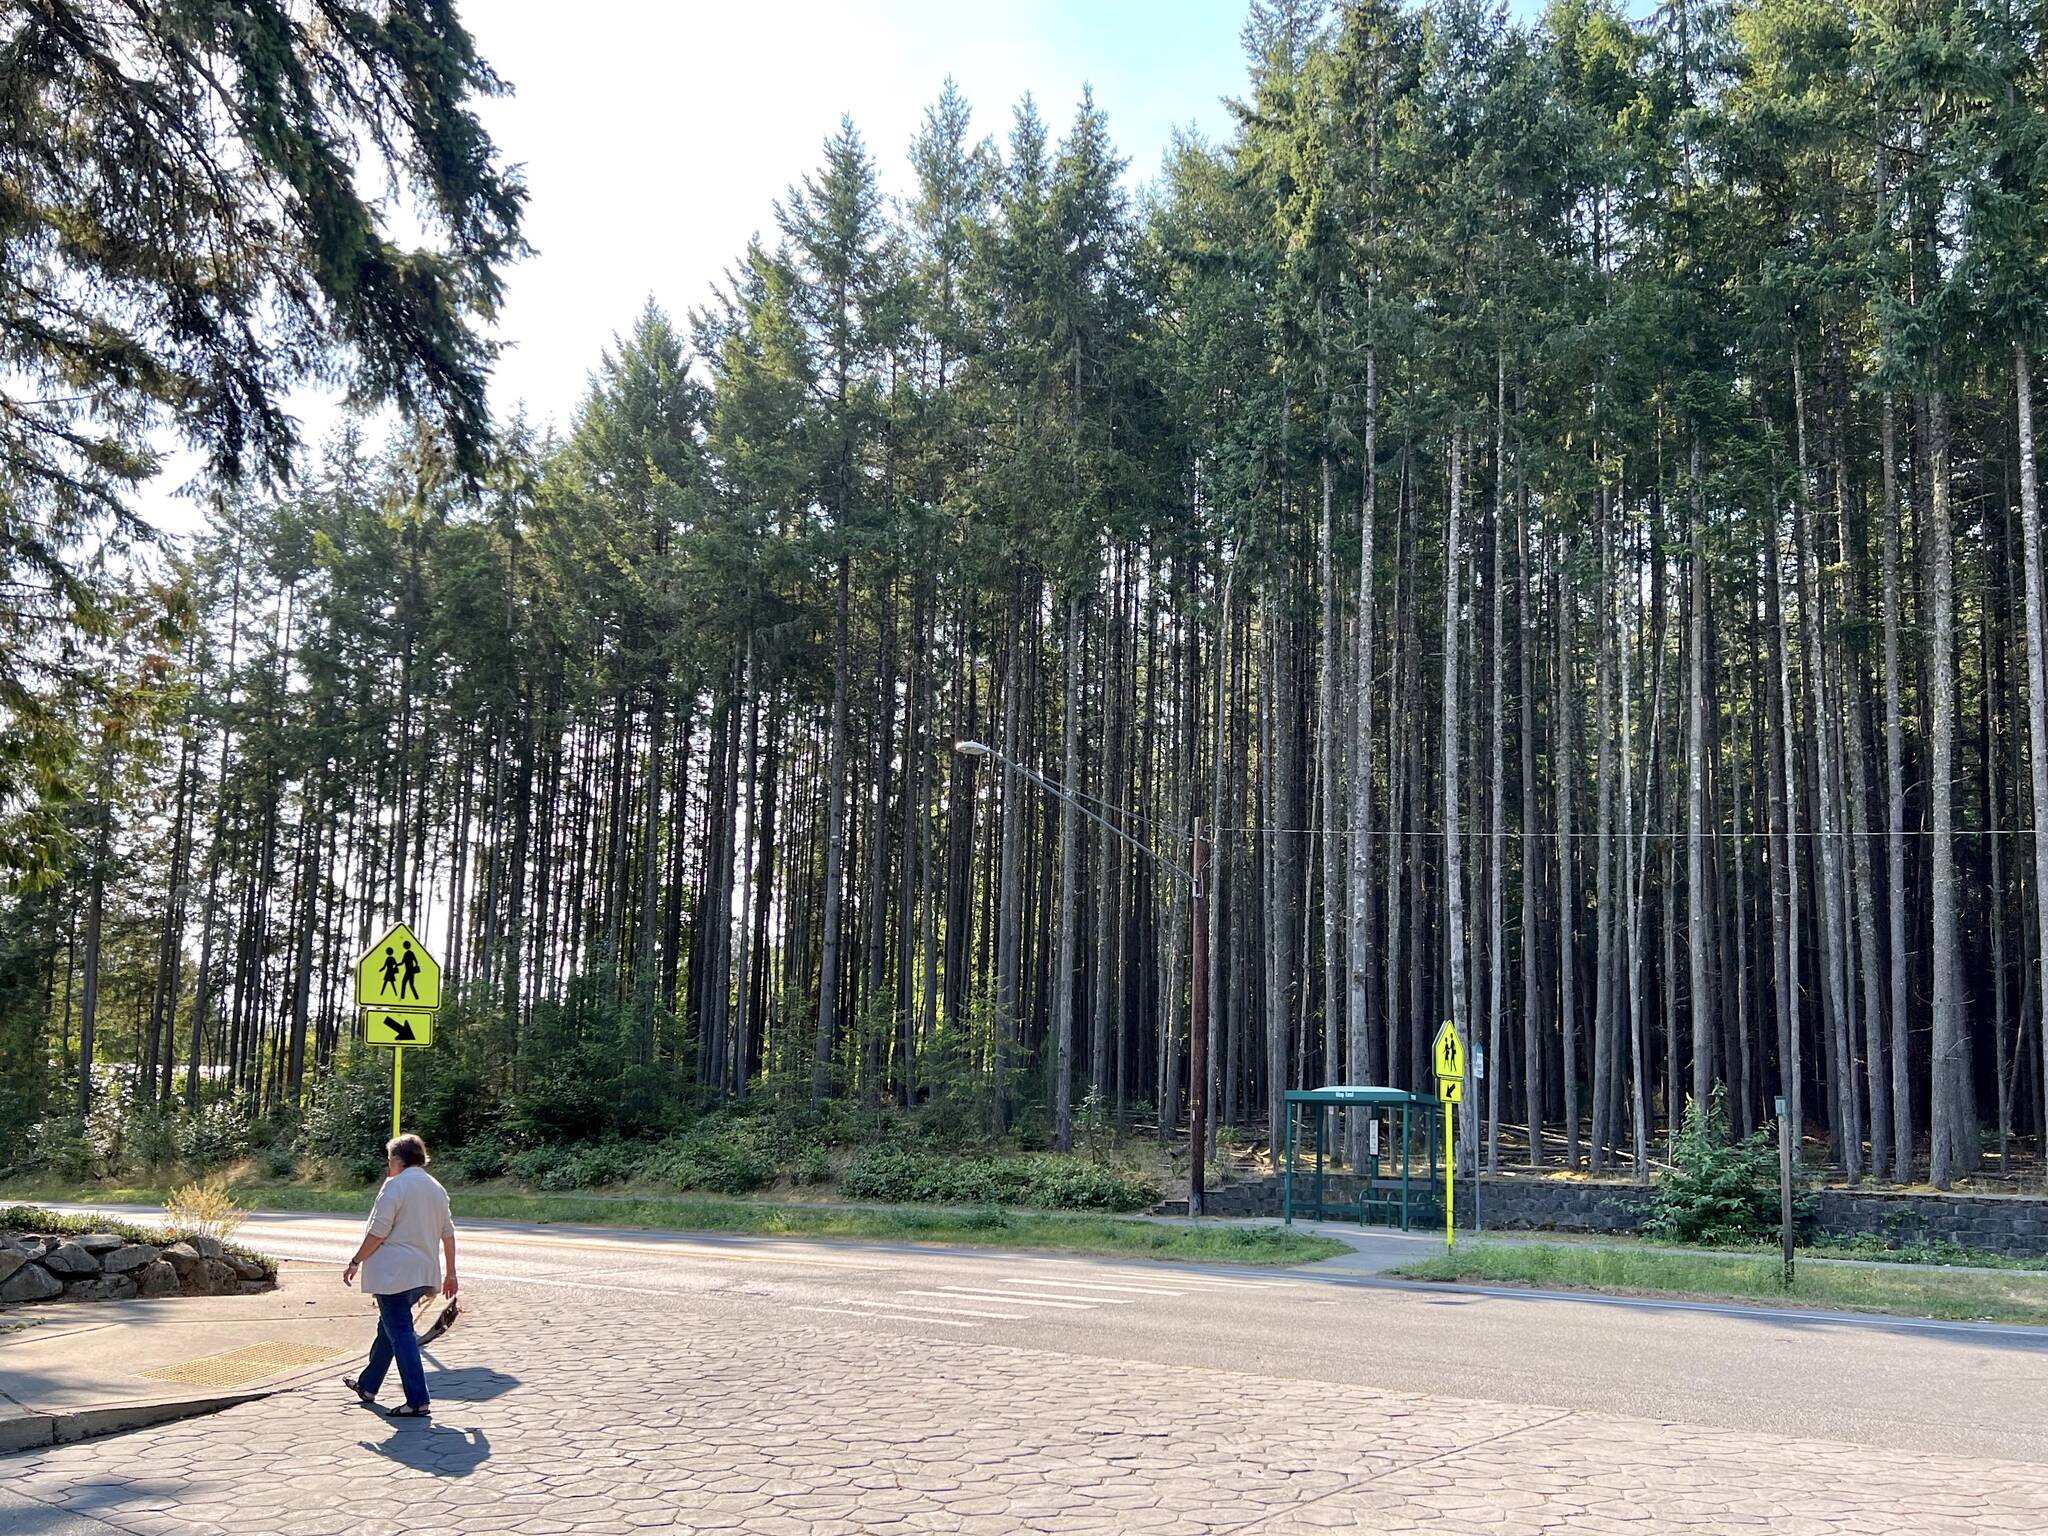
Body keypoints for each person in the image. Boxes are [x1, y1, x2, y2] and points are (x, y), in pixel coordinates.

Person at [342, 1133, 458, 1418]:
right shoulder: (436, 1188)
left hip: (393, 1273)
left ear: (396, 1160)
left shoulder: (395, 1187)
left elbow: (378, 1232)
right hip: (423, 1273)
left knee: (401, 1332)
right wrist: (451, 1273)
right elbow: (448, 1233)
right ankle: (368, 1385)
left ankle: (418, 1399)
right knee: (390, 1327)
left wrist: (356, 1260)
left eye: (389, 1160)